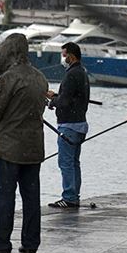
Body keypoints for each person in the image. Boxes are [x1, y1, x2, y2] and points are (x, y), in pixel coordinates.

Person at [0, 34, 49, 253]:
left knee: (5, 197)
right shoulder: (40, 78)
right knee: (31, 198)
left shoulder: (8, 79)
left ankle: (1, 242)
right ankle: (30, 243)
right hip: (33, 149)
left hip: (8, 149)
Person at [46, 42, 90, 208]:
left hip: (69, 126)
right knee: (74, 163)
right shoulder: (82, 72)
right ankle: (74, 195)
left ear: (71, 56)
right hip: (80, 124)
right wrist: (56, 96)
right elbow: (72, 97)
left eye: (64, 55)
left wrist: (52, 101)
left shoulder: (71, 74)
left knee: (65, 163)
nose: (62, 58)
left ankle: (69, 197)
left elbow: (64, 102)